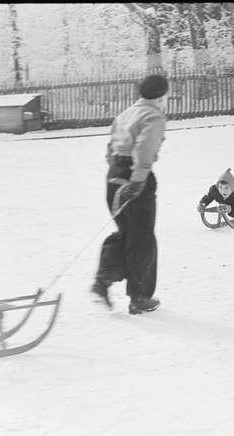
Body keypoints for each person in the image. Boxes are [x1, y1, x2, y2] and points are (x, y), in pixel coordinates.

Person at [91, 74, 169, 314]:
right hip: (135, 177)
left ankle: (104, 279)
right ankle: (140, 296)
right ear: (162, 95)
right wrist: (137, 180)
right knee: (142, 237)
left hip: (113, 175)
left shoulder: (126, 114)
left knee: (126, 232)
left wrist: (117, 170)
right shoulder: (153, 116)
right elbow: (144, 148)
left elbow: (110, 147)